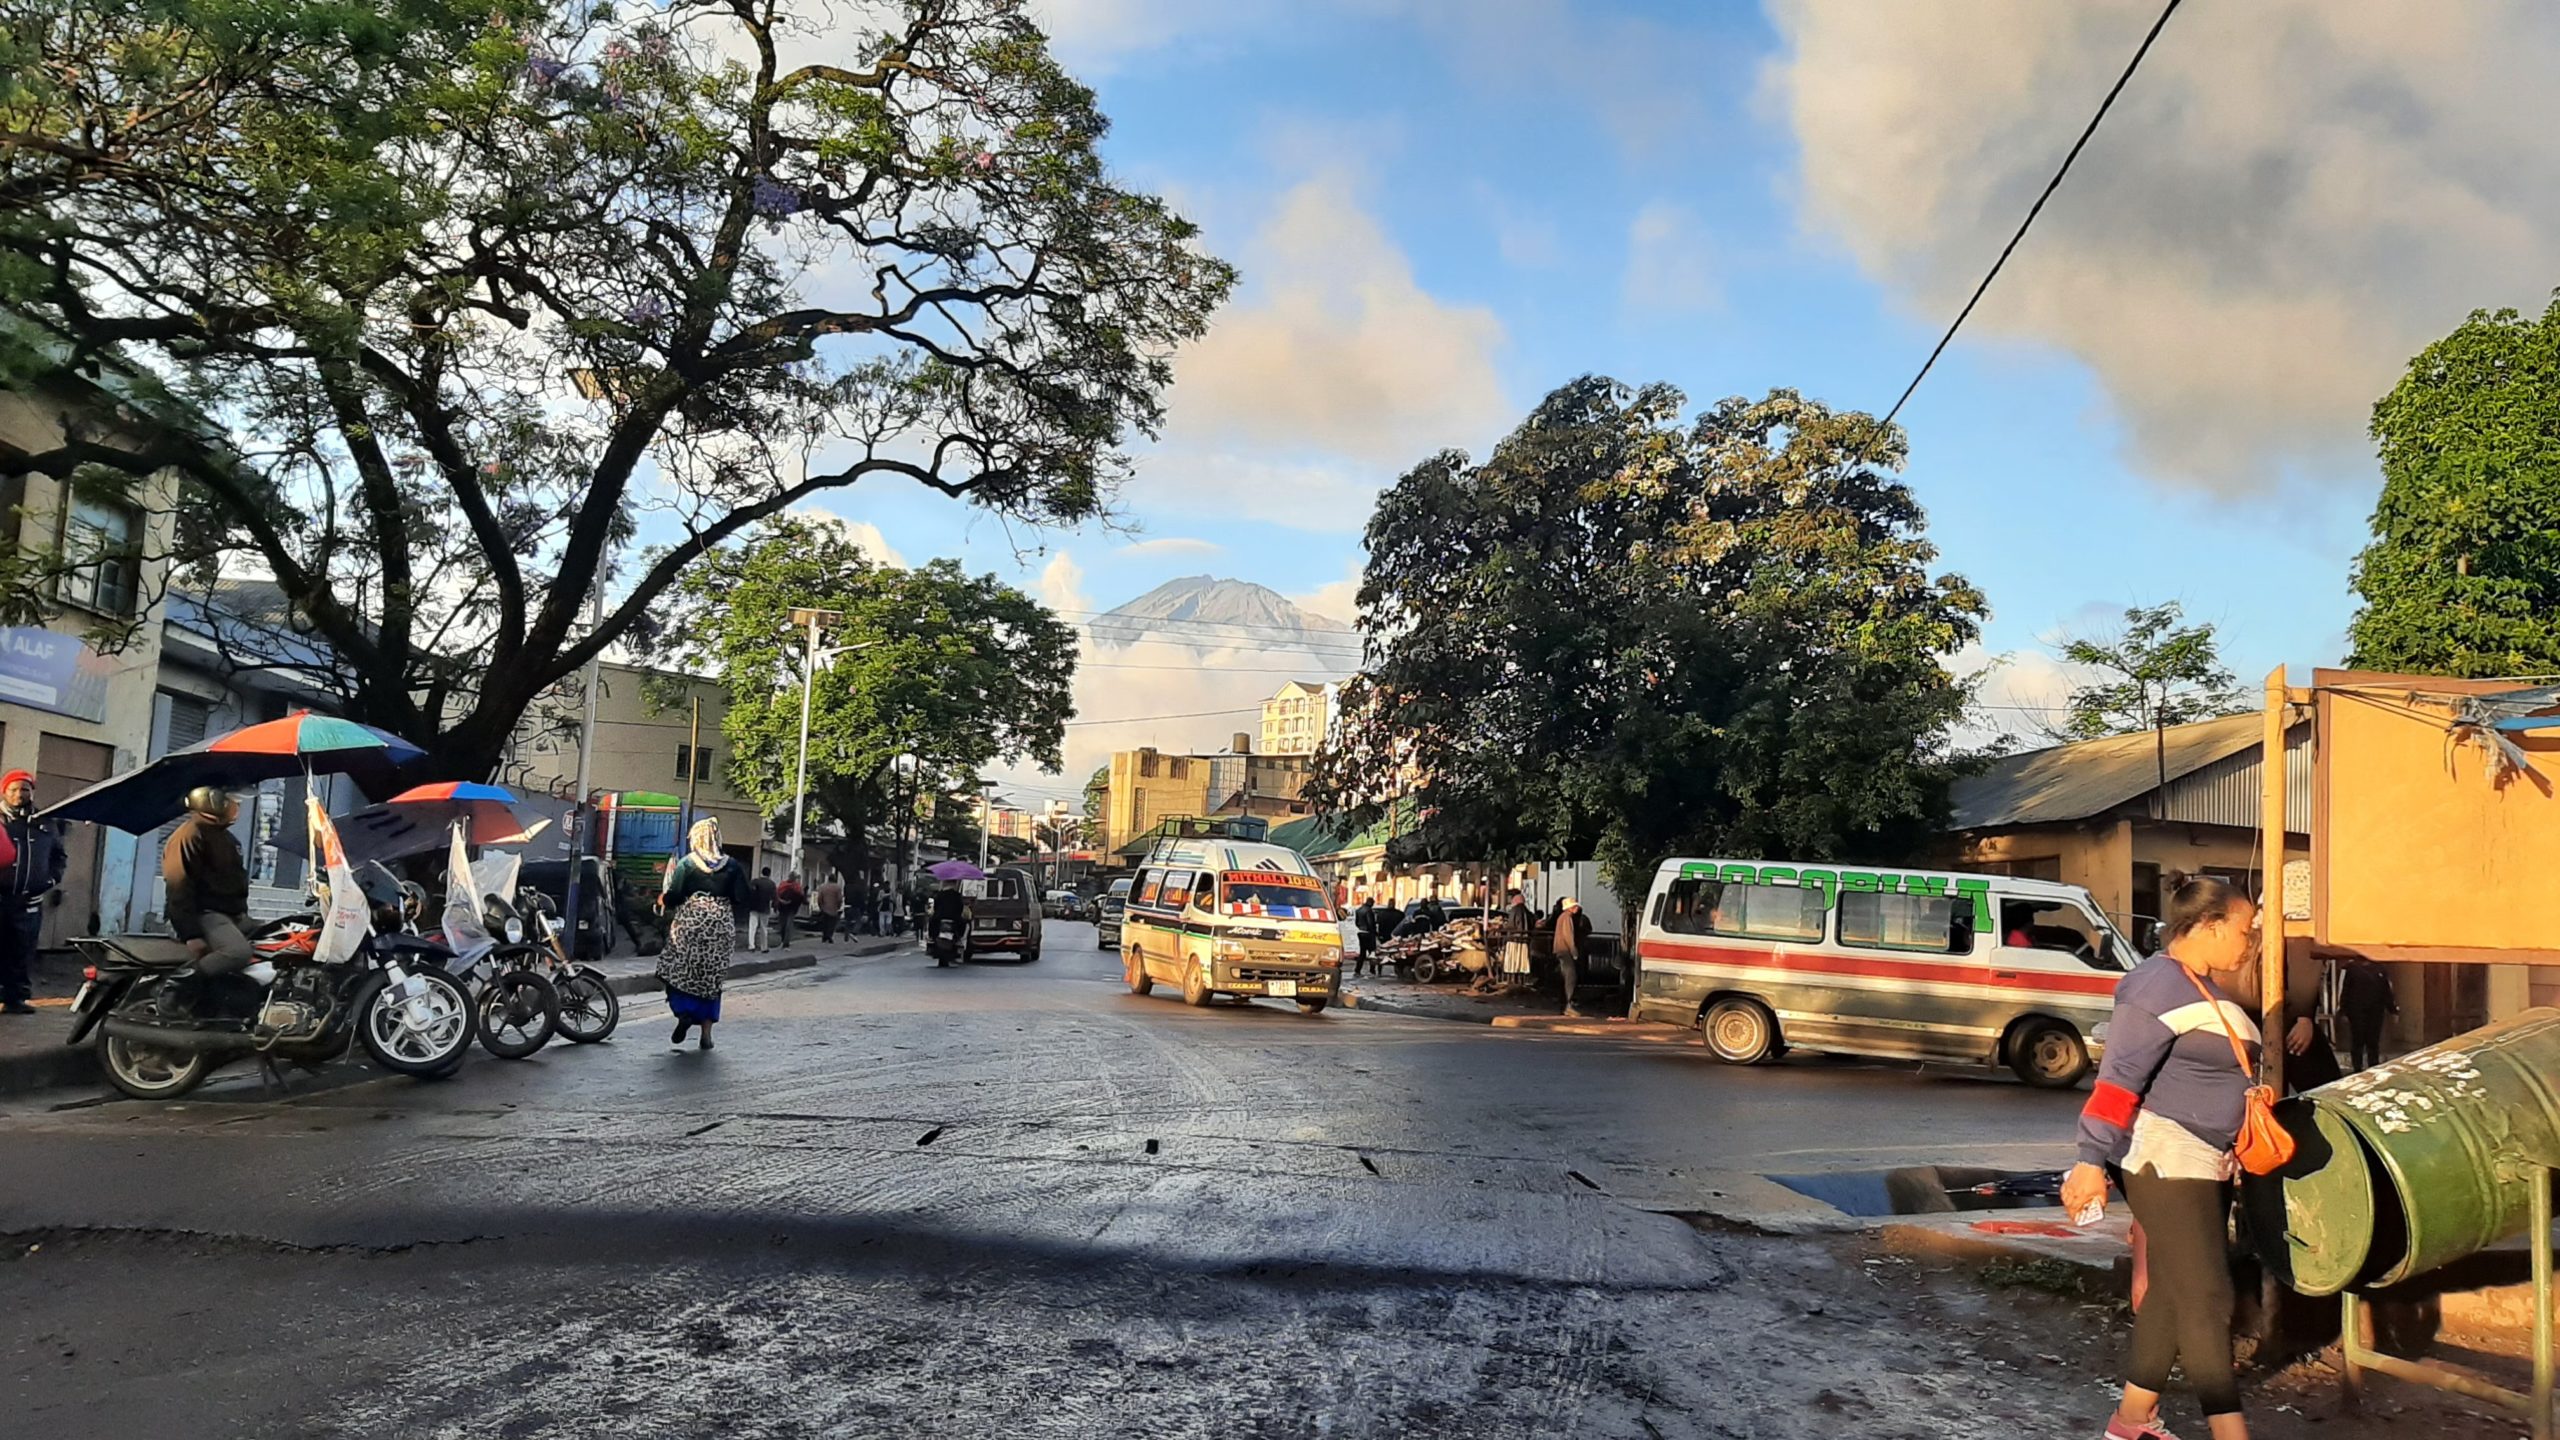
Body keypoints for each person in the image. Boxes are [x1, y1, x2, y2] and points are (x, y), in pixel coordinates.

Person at [2063, 875, 2264, 1440]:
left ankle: (2131, 1422)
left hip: (2203, 1162)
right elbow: (2118, 1078)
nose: (2248, 942)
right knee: (2209, 1297)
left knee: (2175, 1294)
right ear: (2210, 926)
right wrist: (2089, 1160)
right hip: (2167, 1159)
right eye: (2244, 930)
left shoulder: (2197, 985)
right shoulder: (2155, 985)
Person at [656, 818, 750, 1051]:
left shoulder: (687, 864)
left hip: (690, 923)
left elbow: (675, 895)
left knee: (676, 968)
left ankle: (683, 1013)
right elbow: (741, 896)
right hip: (720, 926)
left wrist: (663, 900)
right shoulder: (732, 865)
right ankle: (706, 1034)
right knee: (712, 978)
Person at [163, 787, 255, 975]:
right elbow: (179, 887)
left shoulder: (227, 838)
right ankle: (180, 983)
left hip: (232, 915)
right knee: (237, 953)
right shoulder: (189, 836)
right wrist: (191, 934)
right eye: (234, 803)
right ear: (216, 803)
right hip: (204, 914)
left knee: (281, 936)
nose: (237, 808)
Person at [0, 769, 64, 1015]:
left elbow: (59, 856)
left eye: (24, 789)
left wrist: (51, 879)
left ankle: (15, 998)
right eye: (14, 789)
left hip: (28, 901)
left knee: (22, 949)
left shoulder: (44, 822)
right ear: (4, 792)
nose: (19, 794)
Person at [2341, 958, 2398, 1071]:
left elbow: (2386, 991)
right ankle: (2357, 1068)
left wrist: (2393, 1010)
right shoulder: (2352, 969)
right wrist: (2344, 1011)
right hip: (2357, 1011)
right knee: (2358, 1040)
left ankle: (2372, 1066)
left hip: (2375, 1010)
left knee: (2373, 1041)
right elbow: (2346, 990)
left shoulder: (2380, 969)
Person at [1553, 897, 1591, 1016]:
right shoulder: (1567, 918)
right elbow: (1568, 936)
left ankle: (1564, 1005)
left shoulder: (1562, 917)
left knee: (1565, 977)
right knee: (1570, 977)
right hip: (1565, 950)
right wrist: (1574, 951)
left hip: (1560, 950)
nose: (1577, 908)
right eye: (1574, 906)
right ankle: (1568, 1004)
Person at [1499, 888, 1534, 993]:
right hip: (1524, 941)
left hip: (1514, 940)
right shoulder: (1527, 912)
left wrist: (1504, 927)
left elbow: (1511, 925)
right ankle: (1520, 981)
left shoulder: (1514, 911)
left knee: (1513, 962)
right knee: (1522, 962)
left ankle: (1512, 981)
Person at [929, 879, 966, 954]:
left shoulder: (939, 895)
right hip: (954, 918)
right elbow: (960, 908)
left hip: (940, 917)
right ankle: (959, 939)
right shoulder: (957, 895)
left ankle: (931, 938)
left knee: (932, 922)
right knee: (963, 924)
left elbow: (936, 907)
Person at [747, 866, 778, 952]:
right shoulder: (771, 884)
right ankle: (764, 947)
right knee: (764, 928)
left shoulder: (755, 881)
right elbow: (774, 897)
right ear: (769, 874)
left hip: (754, 907)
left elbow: (749, 891)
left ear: (762, 872)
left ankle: (751, 946)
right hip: (765, 908)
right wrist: (775, 906)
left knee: (752, 927)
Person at [775, 870, 806, 945]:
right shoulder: (788, 885)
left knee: (786, 925)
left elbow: (777, 895)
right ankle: (784, 940)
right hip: (786, 908)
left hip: (787, 908)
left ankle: (785, 942)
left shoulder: (791, 885)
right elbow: (777, 895)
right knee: (785, 925)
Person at [1352, 894, 1379, 977]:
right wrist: (1374, 932)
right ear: (1371, 903)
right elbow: (1370, 923)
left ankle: (1357, 970)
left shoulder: (1359, 910)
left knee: (1362, 953)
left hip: (1361, 932)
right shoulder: (1369, 911)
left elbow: (1356, 922)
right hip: (1368, 933)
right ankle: (1372, 970)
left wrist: (1361, 927)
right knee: (1372, 953)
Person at [815, 872, 844, 944]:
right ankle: (829, 936)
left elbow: (819, 898)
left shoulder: (823, 887)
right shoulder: (837, 888)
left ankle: (824, 936)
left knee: (825, 923)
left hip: (824, 908)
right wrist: (838, 906)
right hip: (833, 908)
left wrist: (820, 906)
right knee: (832, 923)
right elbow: (839, 898)